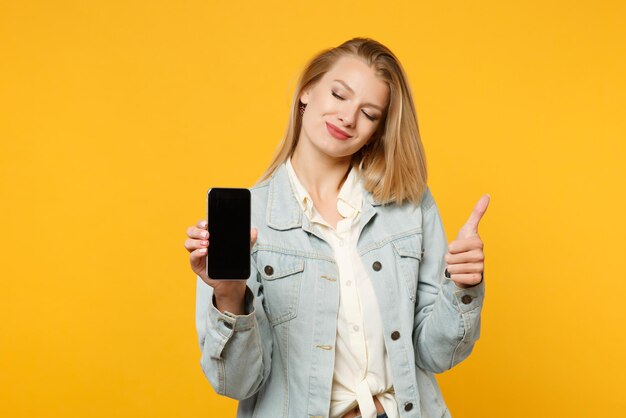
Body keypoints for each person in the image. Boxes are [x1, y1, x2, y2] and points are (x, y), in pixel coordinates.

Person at [184, 37, 489, 418]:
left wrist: (462, 287)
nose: (348, 117)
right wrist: (229, 297)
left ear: (379, 129)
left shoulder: (409, 205)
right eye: (339, 94)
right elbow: (237, 384)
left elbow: (436, 354)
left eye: (370, 113)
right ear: (307, 91)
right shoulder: (248, 220)